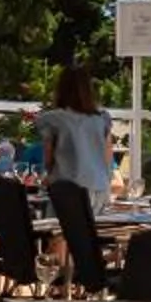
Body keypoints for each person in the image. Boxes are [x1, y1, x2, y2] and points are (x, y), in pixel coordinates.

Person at [33, 64, 116, 212]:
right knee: (89, 232)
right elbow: (107, 158)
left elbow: (48, 160)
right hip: (99, 189)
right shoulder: (102, 118)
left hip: (67, 191)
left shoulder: (52, 119)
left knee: (57, 231)